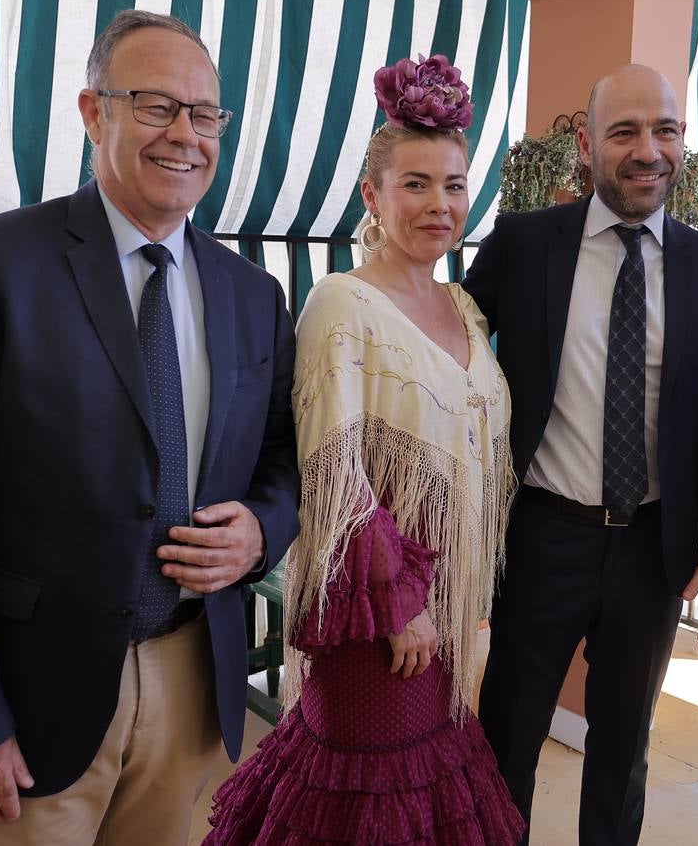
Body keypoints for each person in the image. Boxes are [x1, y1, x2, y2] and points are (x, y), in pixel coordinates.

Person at [0, 10, 301, 845]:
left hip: (192, 685)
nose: (186, 134)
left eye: (205, 114)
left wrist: (260, 530)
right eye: (154, 105)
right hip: (25, 703)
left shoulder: (254, 295)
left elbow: (282, 461)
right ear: (92, 112)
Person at [205, 55, 524, 845]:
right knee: (370, 790)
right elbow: (330, 471)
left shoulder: (460, 304)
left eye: (452, 185)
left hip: (446, 609)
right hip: (376, 615)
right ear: (371, 196)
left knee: (428, 777)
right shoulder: (342, 302)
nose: (439, 204)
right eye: (415, 184)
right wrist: (399, 604)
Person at [464, 64, 698, 844]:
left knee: (623, 750)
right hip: (540, 537)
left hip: (653, 548)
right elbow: (445, 338)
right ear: (587, 145)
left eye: (665, 130)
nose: (647, 150)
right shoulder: (524, 246)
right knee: (506, 739)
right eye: (624, 131)